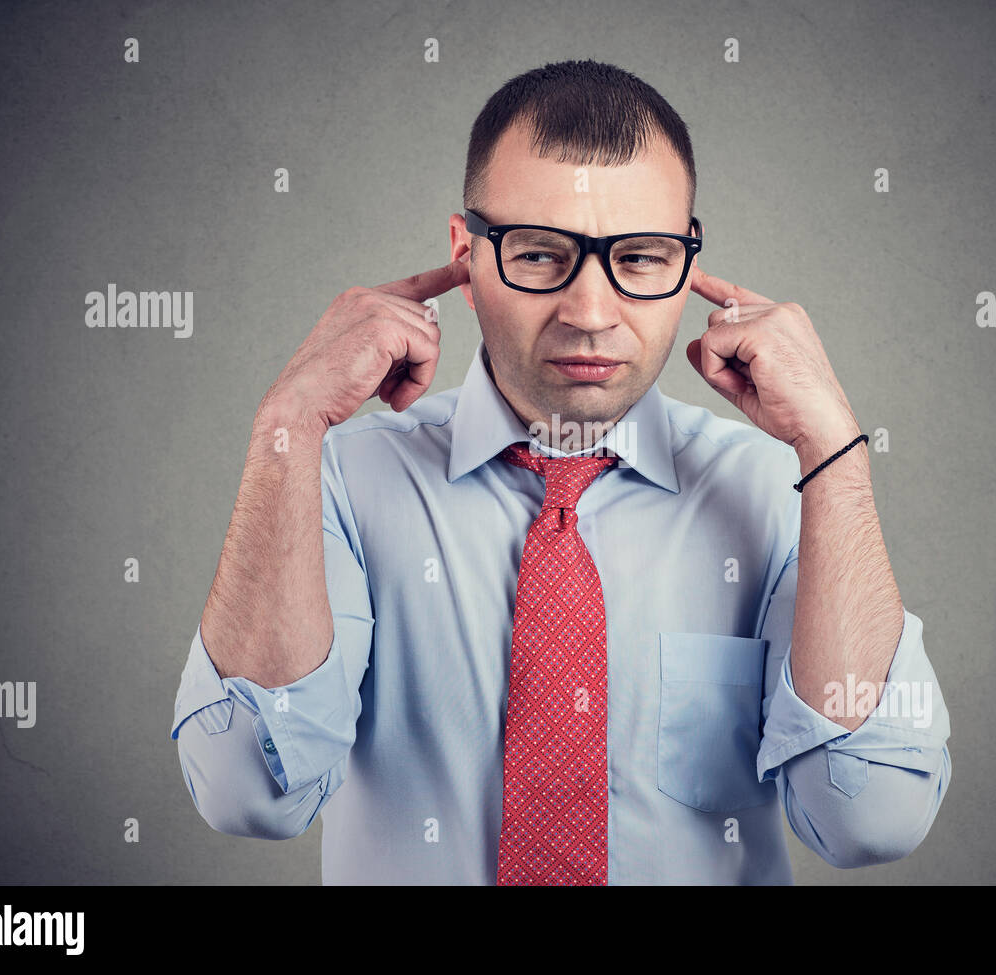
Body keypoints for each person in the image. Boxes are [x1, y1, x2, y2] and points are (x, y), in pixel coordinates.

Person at [170, 58, 952, 885]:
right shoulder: (340, 482)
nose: (589, 312)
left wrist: (834, 451)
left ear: (689, 264)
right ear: (465, 257)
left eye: (642, 258)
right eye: (541, 254)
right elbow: (247, 791)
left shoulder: (776, 489)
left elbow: (871, 820)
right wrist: (285, 422)